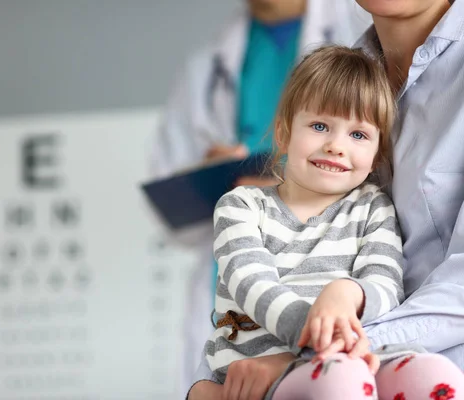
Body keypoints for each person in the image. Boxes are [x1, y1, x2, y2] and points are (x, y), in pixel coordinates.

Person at [189, 0, 464, 398]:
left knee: (424, 377)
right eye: (320, 126)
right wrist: (209, 382)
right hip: (293, 367)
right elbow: (244, 293)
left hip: (393, 359)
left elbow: (396, 282)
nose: (336, 146)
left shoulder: (372, 210)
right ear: (284, 133)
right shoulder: (346, 73)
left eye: (358, 136)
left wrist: (319, 342)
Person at [149, 0, 371, 393]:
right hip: (232, 298)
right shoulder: (207, 66)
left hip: (326, 282)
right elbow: (174, 222)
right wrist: (207, 179)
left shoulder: (359, 28)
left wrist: (288, 188)